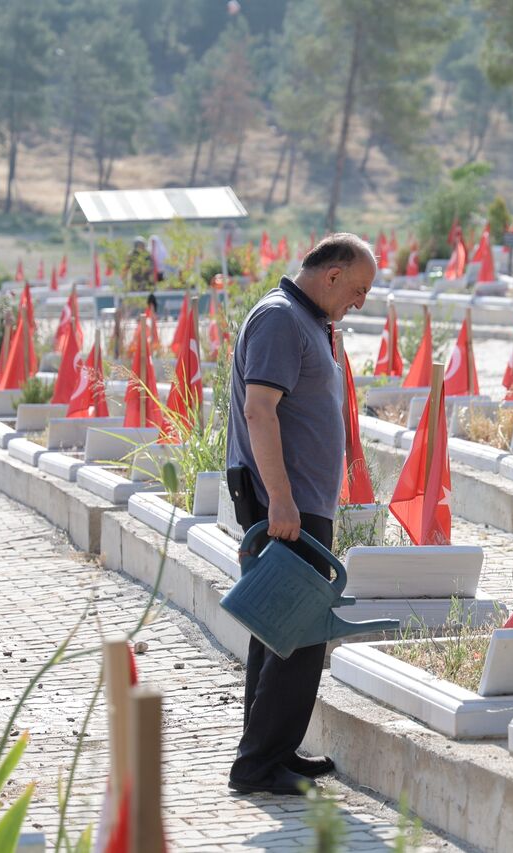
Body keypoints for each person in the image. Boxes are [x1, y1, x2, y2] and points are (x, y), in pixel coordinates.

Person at [224, 233, 376, 795]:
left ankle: (269, 755)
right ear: (331, 275)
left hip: (301, 502)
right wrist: (281, 498)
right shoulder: (282, 320)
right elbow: (260, 411)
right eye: (357, 289)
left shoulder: (306, 321)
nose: (359, 302)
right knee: (299, 635)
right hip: (286, 506)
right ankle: (259, 764)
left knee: (282, 634)